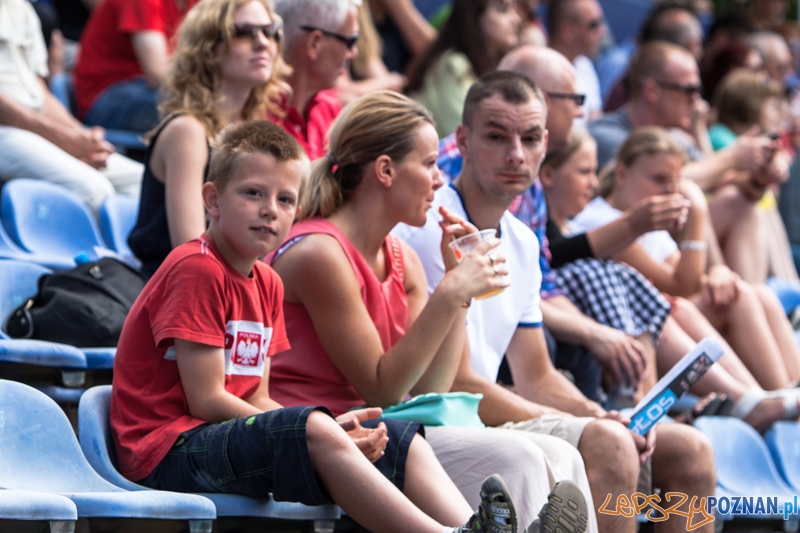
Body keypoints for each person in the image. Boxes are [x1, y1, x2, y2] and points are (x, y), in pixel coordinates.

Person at [111, 119, 524, 533]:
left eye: (286, 199)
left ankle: (474, 528)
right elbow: (205, 400)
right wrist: (315, 426)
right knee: (314, 427)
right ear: (213, 200)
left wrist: (333, 426)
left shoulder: (268, 281)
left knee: (390, 435)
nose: (270, 209)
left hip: (223, 437)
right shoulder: (197, 268)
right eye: (253, 193)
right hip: (168, 451)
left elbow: (257, 396)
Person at [395, 71, 716, 533]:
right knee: (610, 444)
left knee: (691, 451)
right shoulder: (428, 225)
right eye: (496, 136)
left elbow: (537, 374)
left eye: (529, 138)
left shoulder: (523, 241)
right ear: (461, 140)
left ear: (546, 143)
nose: (515, 154)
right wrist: (592, 424)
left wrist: (596, 412)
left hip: (483, 417)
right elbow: (455, 384)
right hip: (437, 423)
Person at [269, 90, 592, 533]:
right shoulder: (319, 254)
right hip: (323, 439)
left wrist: (455, 294)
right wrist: (451, 292)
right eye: (429, 164)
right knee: (519, 458)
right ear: (385, 171)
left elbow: (429, 388)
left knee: (562, 454)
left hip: (383, 434)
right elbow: (381, 387)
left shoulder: (404, 258)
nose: (440, 179)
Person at [575, 126, 800, 396]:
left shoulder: (648, 223)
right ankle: (785, 405)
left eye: (675, 181)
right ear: (622, 174)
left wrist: (717, 274)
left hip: (671, 324)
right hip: (644, 337)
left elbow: (688, 279)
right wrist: (697, 211)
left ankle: (789, 392)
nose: (670, 190)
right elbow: (682, 286)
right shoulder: (605, 222)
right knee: (739, 300)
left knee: (760, 293)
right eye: (658, 179)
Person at [127, 0, 290, 279]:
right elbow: (193, 253)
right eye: (243, 32)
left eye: (269, 31)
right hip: (178, 297)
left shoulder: (254, 130)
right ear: (208, 48)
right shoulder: (187, 131)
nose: (263, 43)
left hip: (233, 287)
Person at [0, 0, 142, 213]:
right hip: (6, 130)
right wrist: (63, 138)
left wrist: (84, 138)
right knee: (93, 190)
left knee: (140, 181)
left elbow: (40, 94)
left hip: (35, 128)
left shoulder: (22, 8)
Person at [74, 0, 199, 134]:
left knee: (206, 102)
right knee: (198, 106)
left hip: (144, 87)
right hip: (105, 96)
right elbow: (157, 75)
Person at [407, 0, 522, 138]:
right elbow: (468, 138)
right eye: (502, 10)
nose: (516, 19)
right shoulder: (452, 65)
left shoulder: (486, 66)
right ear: (473, 17)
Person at [271, 0, 359, 160]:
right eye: (350, 41)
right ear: (314, 43)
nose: (354, 53)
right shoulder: (256, 116)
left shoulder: (330, 109)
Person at [546, 0, 606, 122]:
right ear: (567, 31)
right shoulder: (539, 71)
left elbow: (595, 119)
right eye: (594, 24)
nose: (602, 31)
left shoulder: (585, 64)